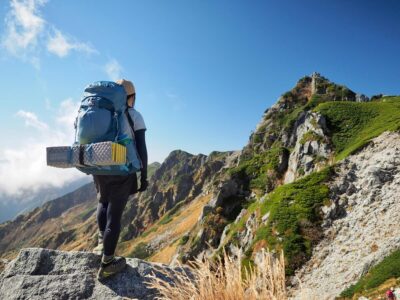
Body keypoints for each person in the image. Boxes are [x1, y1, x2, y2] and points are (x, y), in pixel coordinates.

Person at [93, 79, 148, 280]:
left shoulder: (101, 113)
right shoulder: (133, 115)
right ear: (130, 97)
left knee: (103, 202)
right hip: (121, 170)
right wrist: (144, 176)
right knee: (114, 215)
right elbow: (141, 148)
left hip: (98, 167)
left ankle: (101, 245)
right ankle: (107, 262)